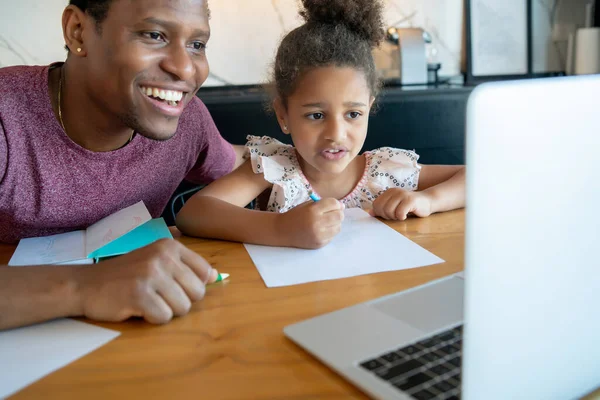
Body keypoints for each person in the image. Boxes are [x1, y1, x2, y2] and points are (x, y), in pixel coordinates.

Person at [0, 0, 244, 330]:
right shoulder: (6, 118)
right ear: (78, 31)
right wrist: (86, 285)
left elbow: (241, 161)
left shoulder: (188, 122)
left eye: (197, 44)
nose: (186, 69)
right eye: (154, 34)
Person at [176, 0, 466, 250]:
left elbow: (480, 178)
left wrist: (428, 200)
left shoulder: (388, 171)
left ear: (370, 107)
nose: (336, 135)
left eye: (353, 114)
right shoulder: (276, 168)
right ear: (283, 115)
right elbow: (194, 214)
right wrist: (281, 229)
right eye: (316, 115)